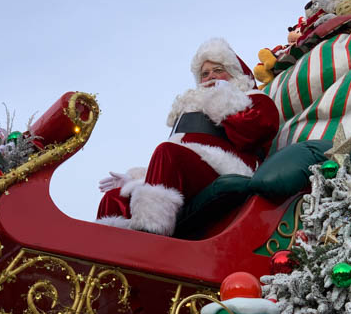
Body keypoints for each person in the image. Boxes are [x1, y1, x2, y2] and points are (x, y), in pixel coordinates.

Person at [97, 38, 279, 235]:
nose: (210, 77)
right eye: (204, 74)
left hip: (227, 169)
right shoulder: (192, 109)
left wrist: (223, 99)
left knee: (167, 152)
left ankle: (149, 234)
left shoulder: (254, 99)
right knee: (116, 197)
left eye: (218, 70)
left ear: (233, 72)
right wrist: (140, 178)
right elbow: (179, 153)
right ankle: (102, 252)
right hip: (186, 167)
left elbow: (256, 131)